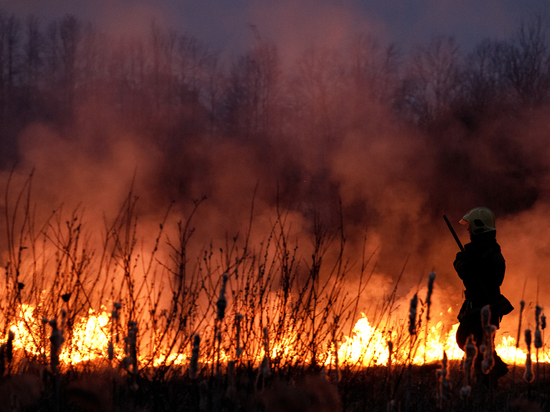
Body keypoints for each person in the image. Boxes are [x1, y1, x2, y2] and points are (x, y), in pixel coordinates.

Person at [453, 207, 513, 385]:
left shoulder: (485, 254)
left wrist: (460, 261)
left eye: (470, 226)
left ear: (478, 227)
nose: (468, 230)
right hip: (483, 308)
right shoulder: (490, 252)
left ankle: (486, 386)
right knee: (475, 345)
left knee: (474, 346)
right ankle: (489, 378)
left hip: (482, 309)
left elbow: (467, 272)